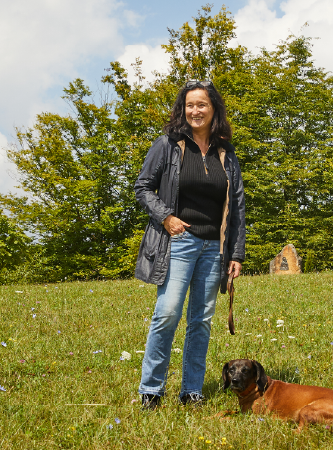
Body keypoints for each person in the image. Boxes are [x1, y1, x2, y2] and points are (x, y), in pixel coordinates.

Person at [134, 80, 246, 409]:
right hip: (179, 242)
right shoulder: (168, 145)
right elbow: (143, 187)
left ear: (214, 110)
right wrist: (166, 217)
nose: (195, 111)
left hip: (214, 247)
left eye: (202, 105)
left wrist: (236, 253)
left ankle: (192, 390)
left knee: (201, 320)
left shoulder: (225, 152)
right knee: (167, 313)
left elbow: (237, 205)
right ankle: (151, 391)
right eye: (190, 105)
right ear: (183, 109)